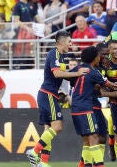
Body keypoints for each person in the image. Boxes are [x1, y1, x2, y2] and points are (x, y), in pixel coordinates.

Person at [25, 31, 87, 167]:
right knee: (57, 127)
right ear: (62, 42)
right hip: (48, 94)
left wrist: (76, 76)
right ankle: (34, 152)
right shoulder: (54, 54)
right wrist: (77, 73)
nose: (71, 44)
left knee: (49, 129)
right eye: (69, 41)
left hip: (47, 94)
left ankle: (43, 163)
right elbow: (57, 73)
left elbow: (63, 74)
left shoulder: (61, 57)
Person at [70, 46, 113, 167]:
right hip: (86, 108)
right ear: (95, 58)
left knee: (87, 141)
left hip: (75, 108)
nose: (101, 57)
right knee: (94, 137)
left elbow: (68, 78)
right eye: (99, 55)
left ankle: (86, 165)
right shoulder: (94, 72)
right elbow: (109, 85)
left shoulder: (77, 69)